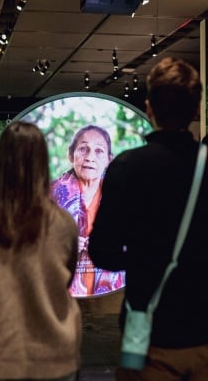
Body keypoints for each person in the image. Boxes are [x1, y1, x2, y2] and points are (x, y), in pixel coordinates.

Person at [87, 57, 208, 380]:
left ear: (149, 107)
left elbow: (102, 252)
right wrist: (206, 258)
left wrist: (143, 258)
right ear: (196, 110)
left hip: (144, 329)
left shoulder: (126, 167)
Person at [0, 121, 81, 380]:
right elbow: (66, 281)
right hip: (55, 355)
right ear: (43, 163)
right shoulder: (61, 222)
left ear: (0, 158)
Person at [52, 124, 125, 297]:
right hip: (59, 295)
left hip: (113, 296)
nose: (90, 157)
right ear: (71, 155)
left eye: (99, 151)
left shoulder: (122, 196)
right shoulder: (47, 196)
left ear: (109, 159)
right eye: (83, 149)